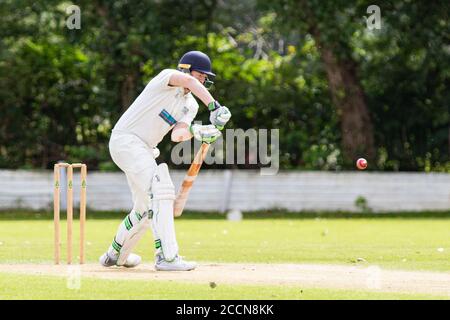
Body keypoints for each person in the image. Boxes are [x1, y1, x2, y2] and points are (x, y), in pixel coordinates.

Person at [99, 51, 231, 271]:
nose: (203, 81)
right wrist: (215, 106)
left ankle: (115, 254)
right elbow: (189, 81)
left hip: (145, 149)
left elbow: (177, 135)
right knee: (161, 191)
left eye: (205, 78)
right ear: (187, 68)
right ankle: (167, 258)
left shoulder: (191, 105)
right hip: (127, 140)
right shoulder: (167, 78)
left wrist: (197, 131)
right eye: (201, 75)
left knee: (144, 209)